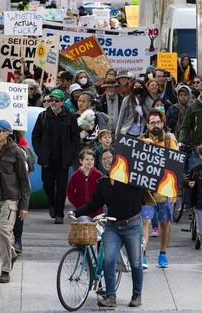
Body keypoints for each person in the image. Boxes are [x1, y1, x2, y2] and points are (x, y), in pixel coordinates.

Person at [71, 148, 143, 308]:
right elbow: (94, 203)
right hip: (113, 227)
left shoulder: (131, 177)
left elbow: (144, 168)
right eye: (104, 159)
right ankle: (111, 296)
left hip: (132, 225)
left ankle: (137, 294)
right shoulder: (103, 182)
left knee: (136, 262)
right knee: (109, 260)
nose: (107, 161)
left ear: (117, 159)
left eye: (110, 158)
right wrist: (75, 212)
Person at [0, 120, 31, 283]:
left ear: (7, 133)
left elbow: (24, 181)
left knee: (3, 230)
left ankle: (5, 270)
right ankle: (11, 254)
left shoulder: (16, 152)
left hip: (11, 199)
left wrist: (24, 206)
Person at [32, 89, 80, 224]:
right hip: (47, 158)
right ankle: (52, 203)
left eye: (56, 100)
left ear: (62, 102)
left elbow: (75, 138)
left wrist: (71, 155)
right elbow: (36, 136)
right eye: (51, 100)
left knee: (61, 186)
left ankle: (59, 213)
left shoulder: (70, 117)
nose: (53, 102)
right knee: (47, 184)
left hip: (63, 159)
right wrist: (40, 152)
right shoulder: (43, 116)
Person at [139, 109, 178, 268]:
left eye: (158, 122)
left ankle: (163, 254)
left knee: (164, 222)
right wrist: (143, 146)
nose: (156, 125)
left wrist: (174, 191)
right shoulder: (141, 139)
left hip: (164, 189)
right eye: (152, 122)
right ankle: (142, 255)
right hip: (146, 190)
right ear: (147, 124)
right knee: (146, 221)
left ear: (163, 123)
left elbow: (175, 166)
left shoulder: (169, 139)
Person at [67, 148, 103, 218]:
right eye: (87, 159)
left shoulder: (99, 175)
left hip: (97, 213)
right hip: (81, 212)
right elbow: (69, 192)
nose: (90, 162)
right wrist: (77, 203)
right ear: (81, 161)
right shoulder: (75, 175)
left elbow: (103, 192)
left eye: (92, 159)